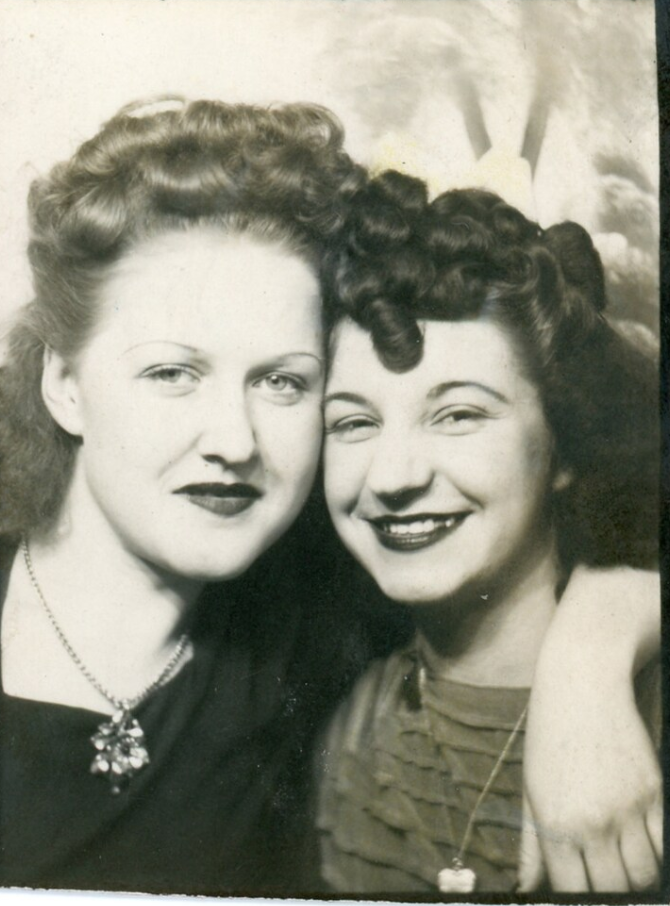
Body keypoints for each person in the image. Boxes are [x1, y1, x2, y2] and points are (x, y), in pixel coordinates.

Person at [0, 99, 660, 896]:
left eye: (282, 381)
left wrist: (589, 655)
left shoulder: (322, 604)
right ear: (64, 384)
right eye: (172, 373)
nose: (234, 442)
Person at [317, 175, 662, 893]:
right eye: (353, 422)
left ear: (564, 445)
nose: (393, 475)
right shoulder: (346, 727)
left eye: (459, 415)